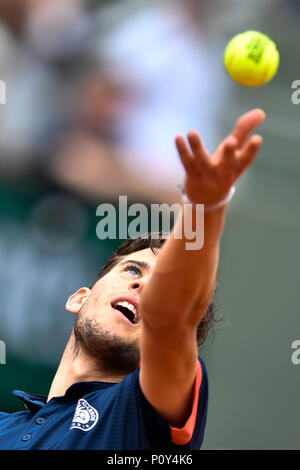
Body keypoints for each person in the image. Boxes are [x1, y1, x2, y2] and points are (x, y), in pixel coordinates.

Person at [0, 108, 265, 450]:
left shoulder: (139, 415)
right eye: (133, 270)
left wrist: (205, 209)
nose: (143, 287)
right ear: (79, 297)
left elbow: (172, 318)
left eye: (161, 288)